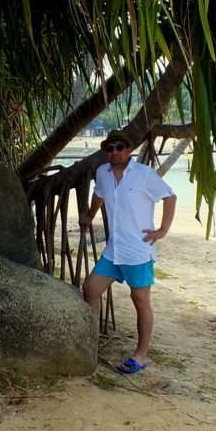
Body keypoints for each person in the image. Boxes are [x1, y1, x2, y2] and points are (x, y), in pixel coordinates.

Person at [79, 130, 176, 374]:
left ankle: (140, 355)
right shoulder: (103, 173)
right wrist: (90, 215)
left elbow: (170, 197)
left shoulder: (144, 175)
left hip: (137, 251)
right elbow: (99, 194)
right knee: (91, 289)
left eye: (119, 147)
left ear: (129, 149)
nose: (114, 152)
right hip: (114, 250)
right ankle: (90, 342)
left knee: (140, 301)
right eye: (109, 148)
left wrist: (162, 230)